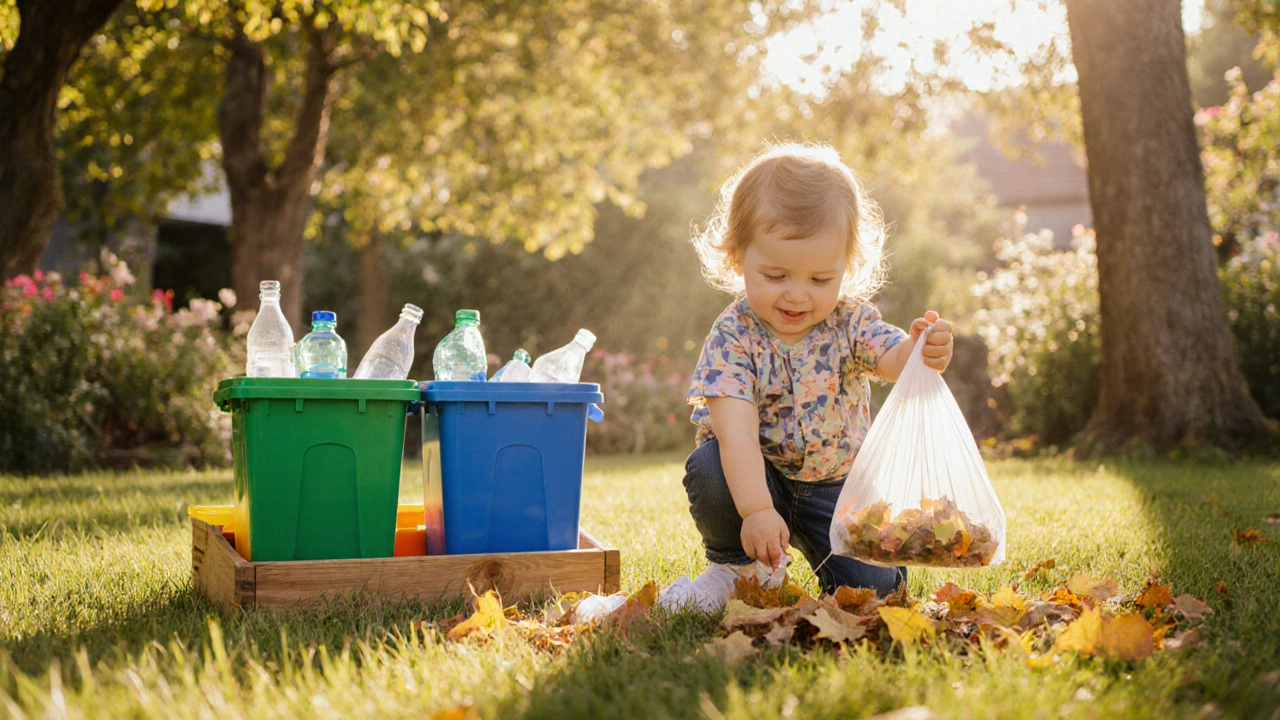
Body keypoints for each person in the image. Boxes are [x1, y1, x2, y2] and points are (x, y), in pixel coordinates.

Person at [659, 142, 954, 612]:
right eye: (775, 275)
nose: (797, 296)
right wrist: (757, 511)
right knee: (710, 466)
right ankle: (736, 568)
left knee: (872, 597)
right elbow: (736, 439)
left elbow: (892, 358)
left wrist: (920, 350)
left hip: (841, 490)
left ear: (846, 266)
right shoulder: (733, 337)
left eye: (820, 280)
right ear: (737, 258)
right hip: (760, 478)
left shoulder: (850, 321)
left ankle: (846, 566)